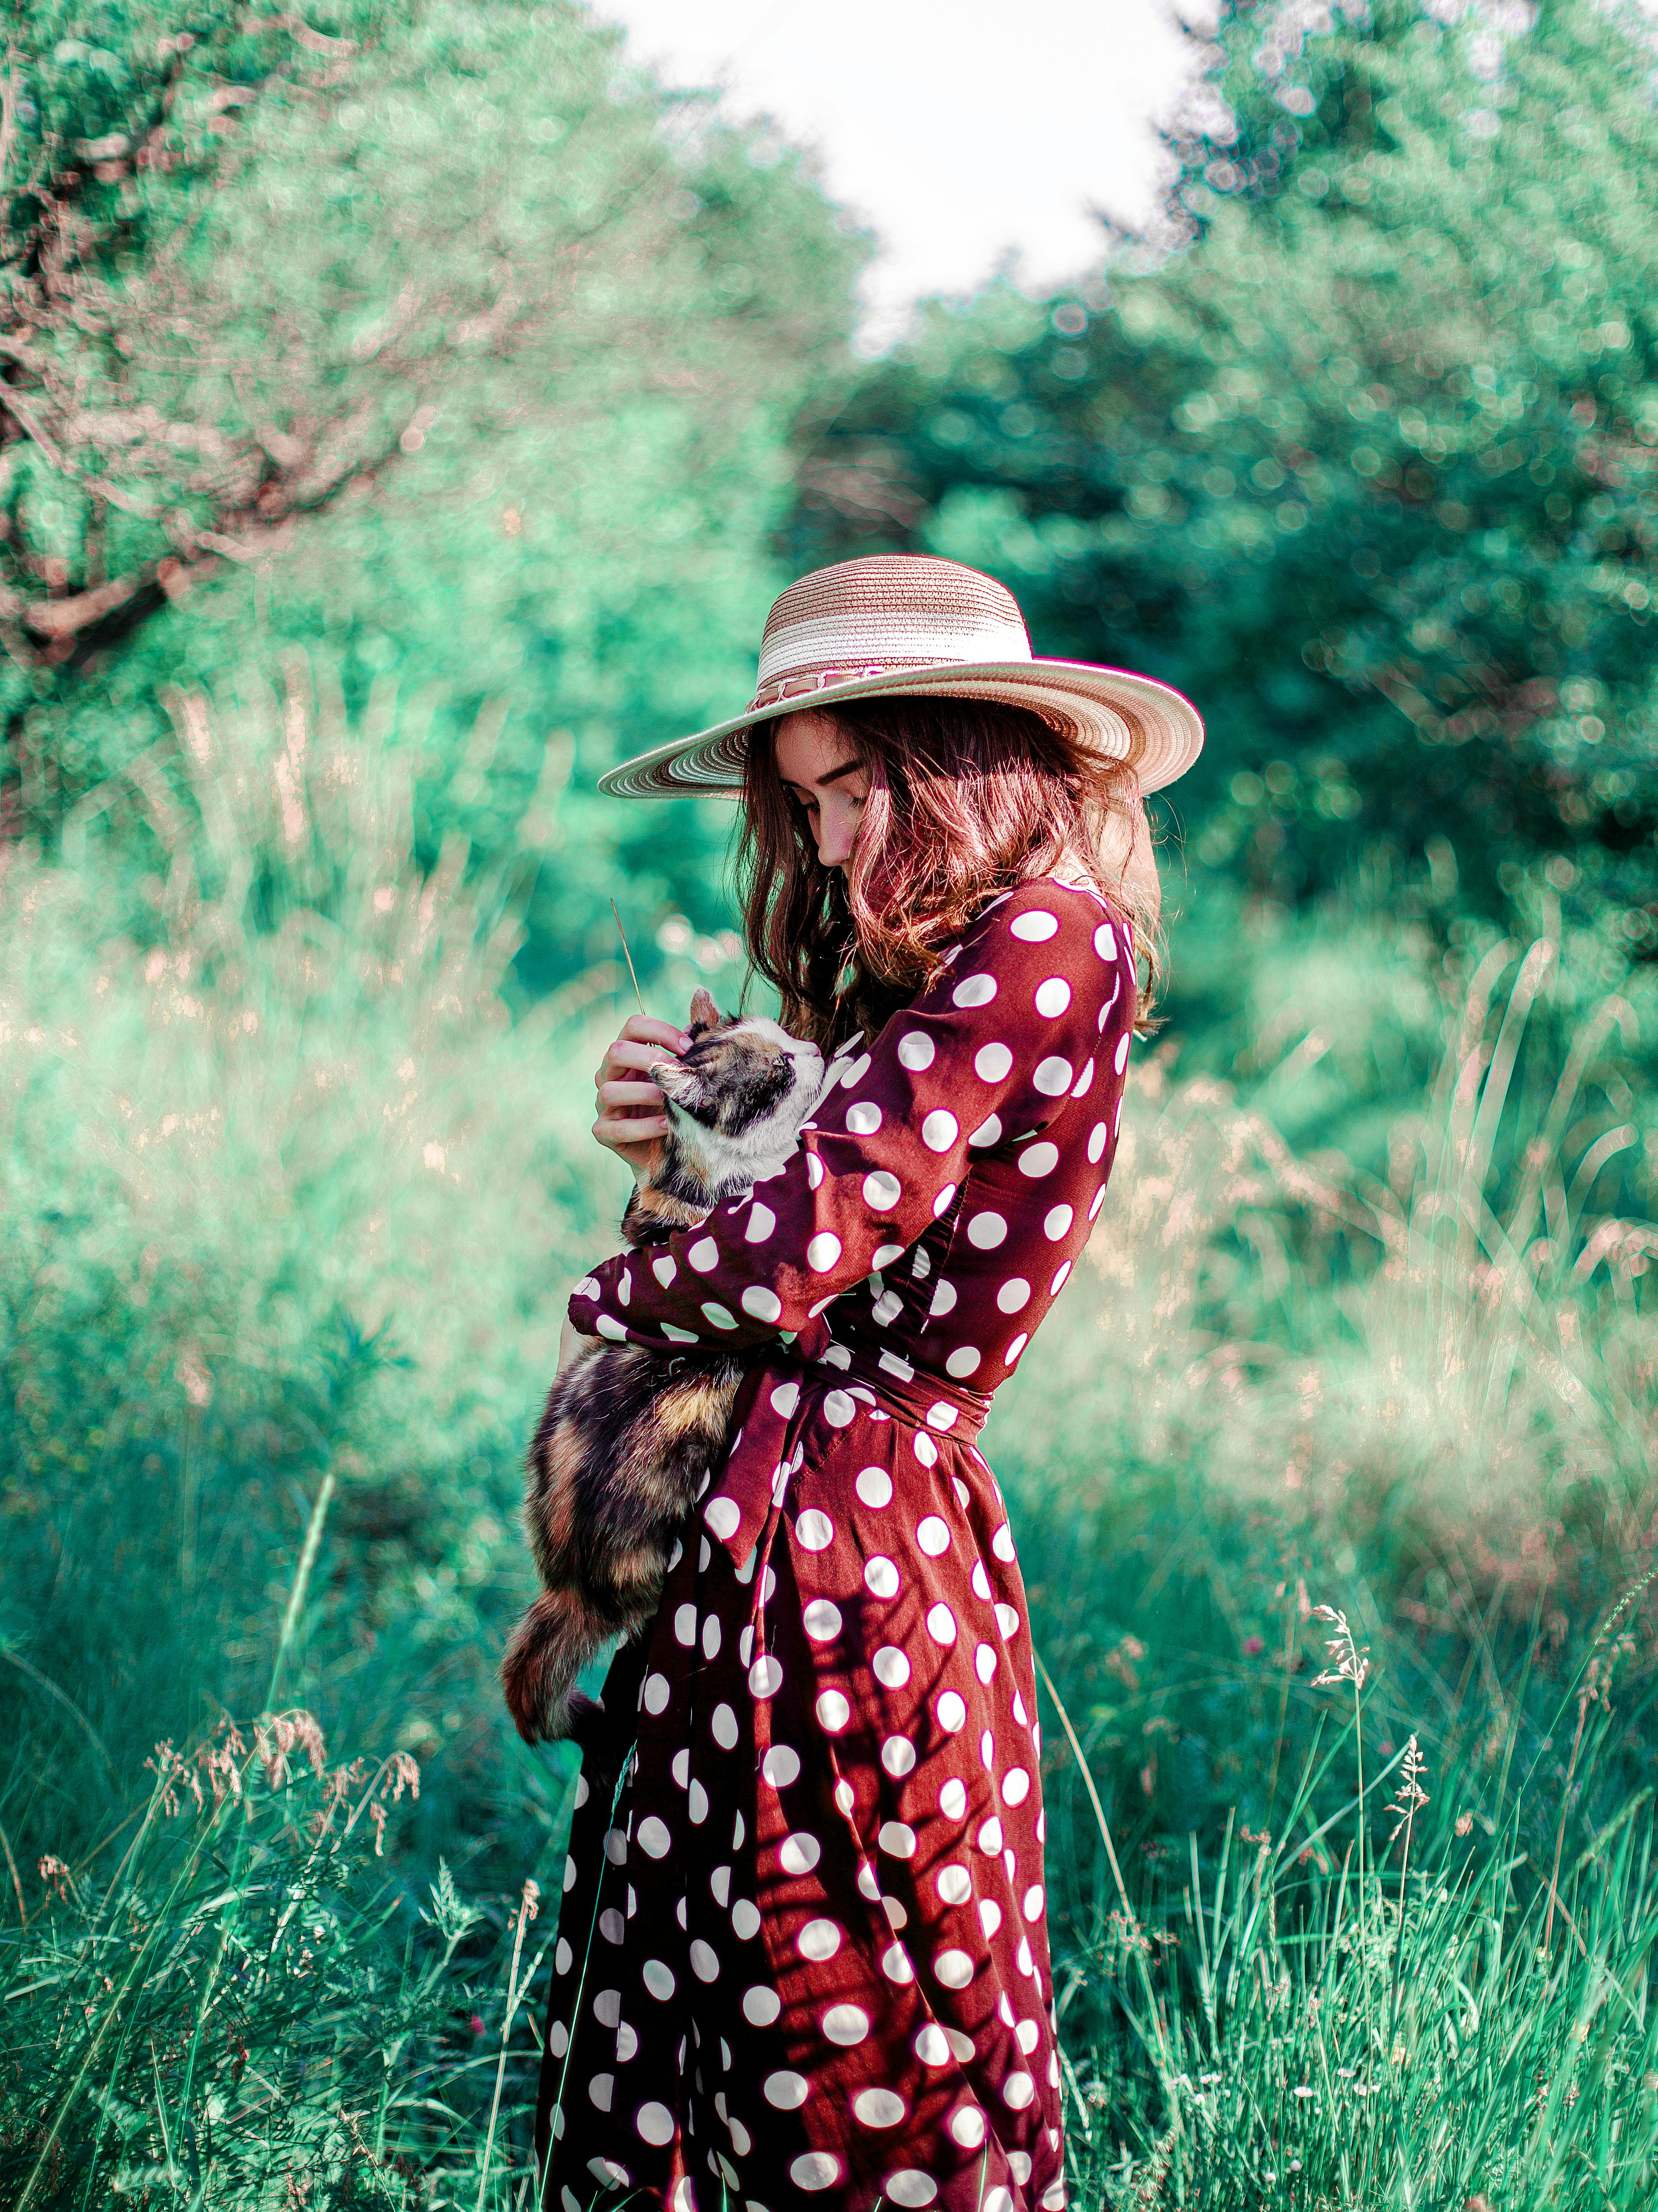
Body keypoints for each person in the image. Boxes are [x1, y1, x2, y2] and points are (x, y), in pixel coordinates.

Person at [533, 554, 1202, 2212]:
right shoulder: (961, 960)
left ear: (947, 758)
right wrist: (659, 1144)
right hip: (786, 1516)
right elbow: (795, 1223)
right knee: (726, 1978)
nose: (824, 843)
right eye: (806, 806)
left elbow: (793, 1256)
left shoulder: (1047, 939)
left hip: (846, 1534)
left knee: (857, 2024)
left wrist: (612, 1293)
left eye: (847, 795)